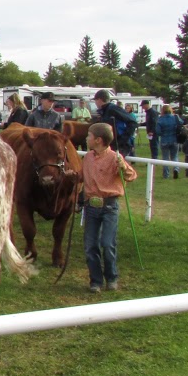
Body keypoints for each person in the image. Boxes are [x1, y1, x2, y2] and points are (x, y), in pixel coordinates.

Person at [82, 122, 138, 293]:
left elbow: (131, 176)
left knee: (107, 243)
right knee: (90, 245)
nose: (86, 138)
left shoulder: (115, 157)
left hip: (109, 206)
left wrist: (123, 168)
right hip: (91, 206)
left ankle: (111, 277)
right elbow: (81, 176)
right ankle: (96, 280)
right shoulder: (87, 158)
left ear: (98, 140)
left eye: (89, 136)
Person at [93, 89, 135, 156]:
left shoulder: (113, 109)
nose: (95, 103)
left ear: (99, 99)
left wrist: (122, 140)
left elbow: (132, 122)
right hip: (110, 145)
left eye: (95, 100)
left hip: (120, 147)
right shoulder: (104, 111)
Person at [156, 104, 182, 179]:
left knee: (165, 158)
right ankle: (176, 169)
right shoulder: (174, 117)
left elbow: (158, 131)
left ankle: (166, 174)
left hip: (164, 139)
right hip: (174, 139)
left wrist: (162, 133)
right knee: (175, 156)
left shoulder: (160, 119)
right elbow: (181, 123)